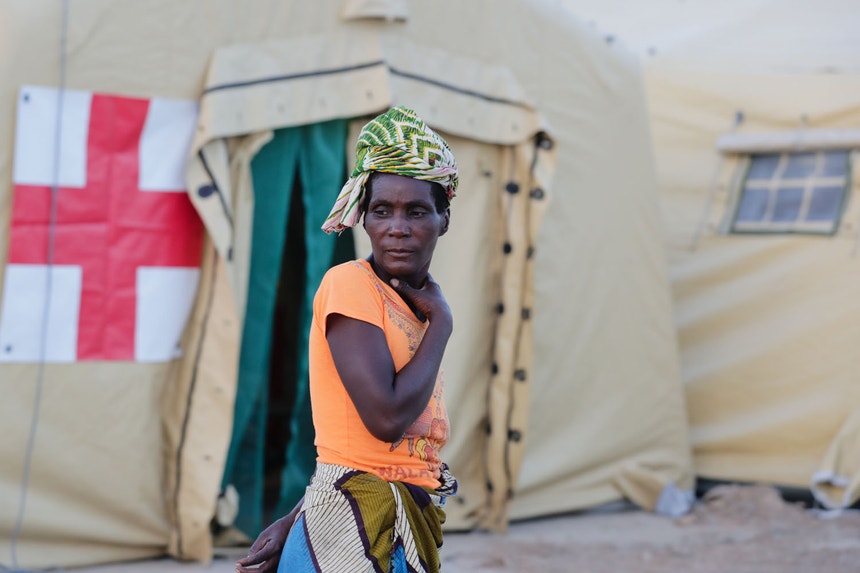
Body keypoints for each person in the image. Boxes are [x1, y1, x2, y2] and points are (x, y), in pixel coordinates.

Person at [235, 106, 459, 573]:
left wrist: (296, 517)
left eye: (417, 211)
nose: (397, 227)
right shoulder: (351, 285)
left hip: (387, 523)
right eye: (381, 210)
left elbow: (357, 447)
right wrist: (442, 324)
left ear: (444, 218)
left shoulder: (416, 306)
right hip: (350, 530)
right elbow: (385, 420)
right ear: (363, 217)